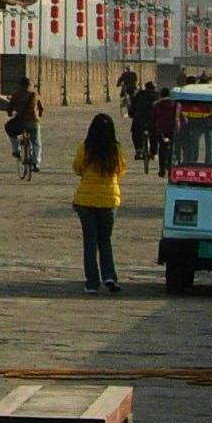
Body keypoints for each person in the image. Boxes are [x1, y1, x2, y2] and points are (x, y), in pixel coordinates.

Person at [71, 111, 126, 293]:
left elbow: (77, 168)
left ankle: (92, 282)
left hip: (86, 201)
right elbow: (120, 170)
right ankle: (109, 276)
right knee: (105, 240)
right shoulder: (115, 149)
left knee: (90, 242)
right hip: (109, 200)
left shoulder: (85, 148)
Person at [124, 80, 157, 176]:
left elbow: (132, 108)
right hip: (152, 121)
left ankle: (138, 149)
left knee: (135, 133)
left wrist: (131, 114)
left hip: (139, 120)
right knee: (155, 134)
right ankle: (154, 152)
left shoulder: (138, 95)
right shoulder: (157, 95)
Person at [151, 86, 181, 171]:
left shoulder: (157, 104)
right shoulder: (175, 104)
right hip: (173, 130)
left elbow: (153, 118)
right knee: (173, 147)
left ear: (161, 95)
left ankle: (161, 169)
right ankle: (174, 164)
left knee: (162, 148)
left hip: (162, 130)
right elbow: (180, 116)